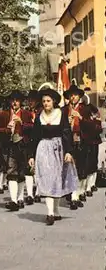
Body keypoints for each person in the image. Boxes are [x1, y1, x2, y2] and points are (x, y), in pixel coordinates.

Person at [29, 88, 78, 226]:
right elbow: (35, 137)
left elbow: (66, 133)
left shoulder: (60, 114)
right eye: (44, 101)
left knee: (56, 179)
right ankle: (50, 212)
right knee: (47, 179)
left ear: (54, 101)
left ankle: (56, 210)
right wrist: (31, 155)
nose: (46, 103)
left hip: (58, 149)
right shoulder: (39, 116)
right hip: (43, 149)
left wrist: (68, 151)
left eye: (48, 101)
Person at [0, 90, 34, 212]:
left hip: (23, 145)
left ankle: (20, 197)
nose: (15, 103)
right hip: (9, 145)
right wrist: (7, 129)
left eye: (17, 100)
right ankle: (13, 200)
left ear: (21, 102)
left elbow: (33, 128)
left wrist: (21, 123)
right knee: (11, 171)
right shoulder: (3, 114)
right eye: (13, 100)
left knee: (22, 172)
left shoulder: (27, 114)